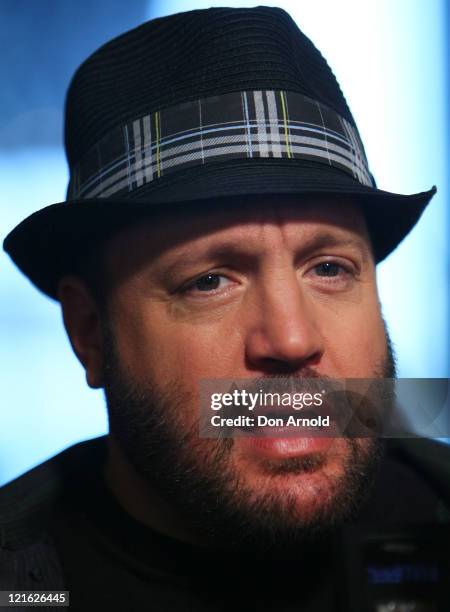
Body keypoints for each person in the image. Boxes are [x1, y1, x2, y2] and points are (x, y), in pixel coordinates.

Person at [1, 7, 449, 611]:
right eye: (209, 281)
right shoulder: (22, 579)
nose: (291, 341)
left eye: (329, 268)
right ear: (91, 334)